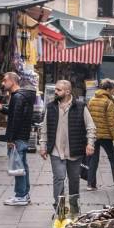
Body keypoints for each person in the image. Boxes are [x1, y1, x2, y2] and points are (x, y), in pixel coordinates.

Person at [39, 80, 96, 215]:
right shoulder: (51, 107)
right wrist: (43, 145)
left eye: (59, 90)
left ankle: (74, 209)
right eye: (56, 89)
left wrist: (90, 143)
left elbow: (91, 127)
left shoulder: (80, 107)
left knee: (74, 180)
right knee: (59, 178)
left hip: (75, 151)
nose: (56, 92)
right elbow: (44, 128)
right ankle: (60, 210)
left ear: (68, 91)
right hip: (56, 151)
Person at [0, 72, 36, 206]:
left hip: (18, 137)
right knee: (22, 166)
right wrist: (4, 109)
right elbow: (16, 113)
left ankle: (20, 195)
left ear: (12, 81)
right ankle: (24, 194)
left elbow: (16, 119)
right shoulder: (22, 96)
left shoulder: (17, 97)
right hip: (22, 136)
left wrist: (10, 139)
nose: (3, 83)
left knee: (18, 166)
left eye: (5, 80)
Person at [86, 79, 114, 191]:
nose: (113, 92)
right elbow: (111, 122)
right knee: (112, 159)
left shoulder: (91, 100)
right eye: (112, 90)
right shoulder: (108, 102)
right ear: (107, 89)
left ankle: (90, 185)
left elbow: (88, 119)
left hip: (94, 135)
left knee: (93, 160)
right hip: (106, 136)